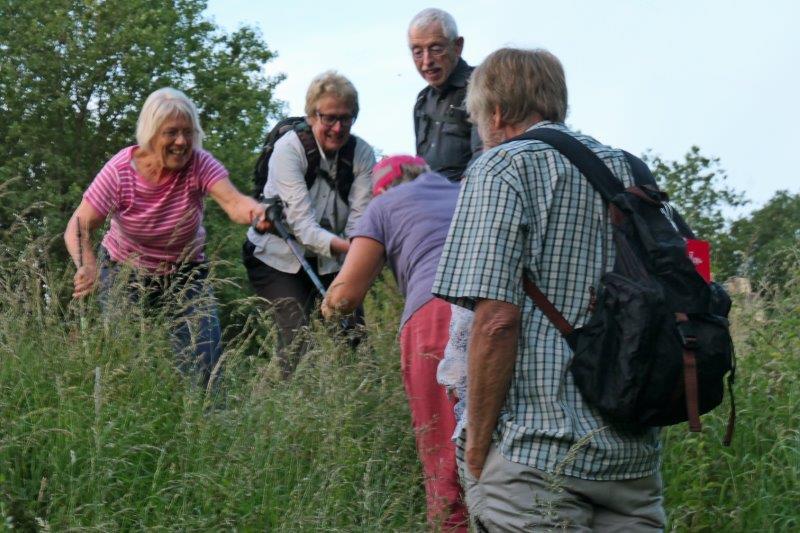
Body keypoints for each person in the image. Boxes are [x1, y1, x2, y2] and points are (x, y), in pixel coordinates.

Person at [432, 48, 666, 531]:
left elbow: (496, 322)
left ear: (495, 112)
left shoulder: (501, 168)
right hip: (632, 460)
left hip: (535, 457)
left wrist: (476, 449)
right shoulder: (632, 172)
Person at [64, 87, 269, 389]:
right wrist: (89, 266)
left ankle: (208, 425)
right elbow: (78, 227)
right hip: (124, 271)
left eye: (188, 133)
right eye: (171, 133)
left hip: (186, 274)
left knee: (205, 365)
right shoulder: (121, 171)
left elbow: (235, 203)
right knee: (124, 363)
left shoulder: (199, 164)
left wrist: (259, 213)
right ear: (150, 133)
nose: (181, 142)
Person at [320, 155, 468, 532]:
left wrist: (328, 306)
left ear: (383, 187)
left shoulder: (383, 205)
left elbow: (344, 298)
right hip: (500, 311)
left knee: (444, 455)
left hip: (434, 318)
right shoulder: (464, 190)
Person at [242, 71, 376, 378]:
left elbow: (361, 221)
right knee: (298, 342)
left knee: (355, 342)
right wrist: (358, 252)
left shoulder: (363, 154)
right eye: (329, 118)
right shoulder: (289, 149)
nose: (338, 127)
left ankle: (360, 408)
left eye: (346, 118)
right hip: (277, 257)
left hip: (333, 261)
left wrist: (358, 253)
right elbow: (302, 226)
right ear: (311, 115)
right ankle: (288, 411)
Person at [408, 8, 481, 180]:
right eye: (418, 52)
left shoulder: (480, 87)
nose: (426, 62)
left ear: (457, 46)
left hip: (469, 198)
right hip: (428, 200)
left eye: (436, 48)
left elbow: (485, 153)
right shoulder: (422, 101)